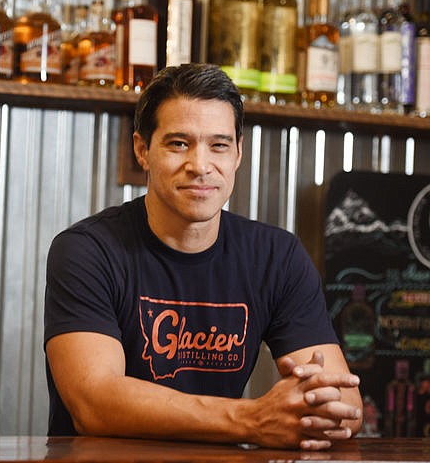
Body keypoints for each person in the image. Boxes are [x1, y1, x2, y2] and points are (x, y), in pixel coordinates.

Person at [43, 63, 363, 450]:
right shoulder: (87, 251)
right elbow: (94, 403)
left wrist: (318, 404)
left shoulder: (277, 257)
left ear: (238, 153)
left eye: (219, 145)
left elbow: (347, 405)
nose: (200, 166)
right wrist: (252, 419)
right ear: (142, 150)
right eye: (179, 144)